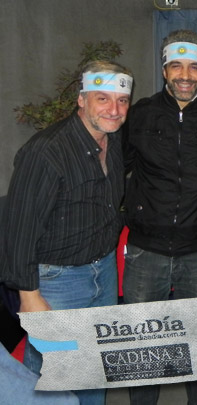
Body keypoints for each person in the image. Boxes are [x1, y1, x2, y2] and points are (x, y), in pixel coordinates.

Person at [0, 60, 133, 405]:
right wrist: (29, 296)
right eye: (102, 98)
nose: (114, 109)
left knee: (95, 368)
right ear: (81, 99)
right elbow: (19, 228)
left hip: (103, 270)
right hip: (58, 280)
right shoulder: (46, 151)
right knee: (51, 378)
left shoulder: (113, 138)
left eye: (122, 100)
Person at [122, 29, 197, 405]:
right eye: (176, 66)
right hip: (146, 251)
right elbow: (115, 168)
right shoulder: (140, 114)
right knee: (143, 348)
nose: (185, 75)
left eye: (193, 67)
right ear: (164, 70)